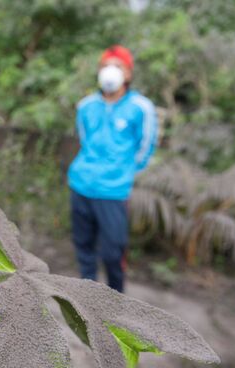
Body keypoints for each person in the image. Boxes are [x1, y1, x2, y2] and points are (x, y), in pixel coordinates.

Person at [68, 45, 157, 292]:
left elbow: (146, 146)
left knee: (112, 252)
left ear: (128, 73)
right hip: (81, 185)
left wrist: (123, 172)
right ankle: (87, 299)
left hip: (113, 192)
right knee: (84, 248)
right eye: (105, 66)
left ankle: (117, 303)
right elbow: (84, 139)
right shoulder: (85, 106)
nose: (110, 71)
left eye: (117, 66)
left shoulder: (141, 107)